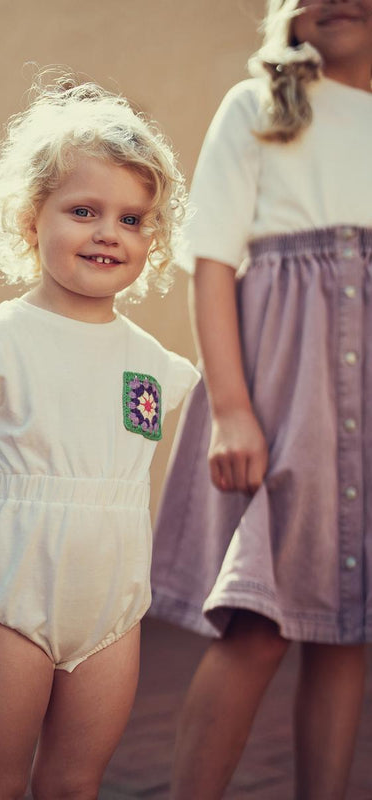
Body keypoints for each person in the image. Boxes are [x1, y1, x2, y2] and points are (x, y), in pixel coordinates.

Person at [0, 75, 198, 800]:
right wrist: (16, 505)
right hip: (13, 599)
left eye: (133, 219)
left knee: (73, 781)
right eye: (84, 210)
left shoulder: (148, 364)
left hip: (111, 610)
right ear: (32, 219)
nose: (109, 232)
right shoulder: (3, 339)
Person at [150, 1, 372, 798]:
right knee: (261, 623)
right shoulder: (258, 109)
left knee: (346, 628)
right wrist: (233, 408)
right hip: (284, 395)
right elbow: (211, 264)